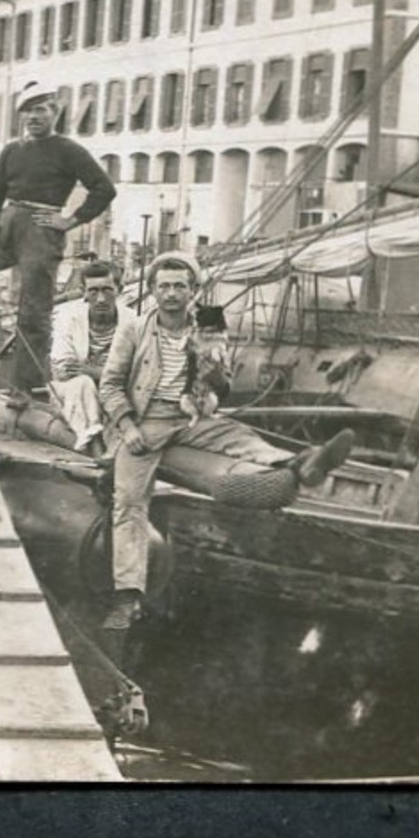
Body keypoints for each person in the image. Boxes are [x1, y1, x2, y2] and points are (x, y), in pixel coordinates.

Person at [98, 252, 356, 630]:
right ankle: (127, 598)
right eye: (164, 286)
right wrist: (127, 427)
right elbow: (110, 386)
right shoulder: (134, 329)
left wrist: (213, 365)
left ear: (193, 290)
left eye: (179, 286)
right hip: (146, 420)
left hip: (191, 416)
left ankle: (302, 463)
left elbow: (226, 387)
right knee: (129, 503)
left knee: (239, 436)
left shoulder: (209, 324)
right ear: (152, 290)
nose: (171, 294)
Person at [0, 81, 117, 397]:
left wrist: (69, 220)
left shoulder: (68, 150)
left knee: (33, 311)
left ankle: (27, 388)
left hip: (40, 232)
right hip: (5, 225)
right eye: (28, 111)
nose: (33, 117)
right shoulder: (13, 151)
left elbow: (104, 188)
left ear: (54, 112)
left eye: (40, 110)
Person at [50, 259, 129, 453]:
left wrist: (96, 371)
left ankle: (110, 448)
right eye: (93, 291)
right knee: (83, 382)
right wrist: (106, 373)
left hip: (113, 392)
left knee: (113, 393)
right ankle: (96, 446)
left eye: (107, 290)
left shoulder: (133, 321)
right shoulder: (67, 317)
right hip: (71, 393)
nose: (101, 299)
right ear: (84, 292)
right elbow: (63, 370)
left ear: (119, 289)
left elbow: (137, 371)